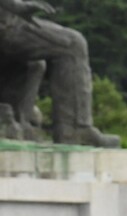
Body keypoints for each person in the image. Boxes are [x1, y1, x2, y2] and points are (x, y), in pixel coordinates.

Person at [0, 0, 119, 146]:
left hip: (11, 19)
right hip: (7, 24)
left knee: (36, 63)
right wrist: (16, 6)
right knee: (73, 44)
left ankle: (25, 121)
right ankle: (74, 130)